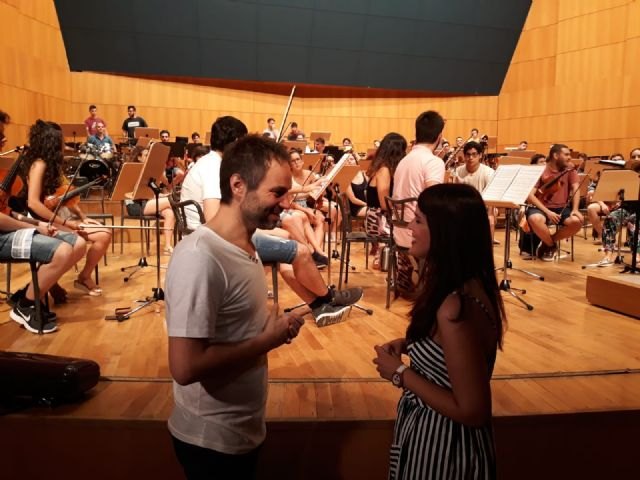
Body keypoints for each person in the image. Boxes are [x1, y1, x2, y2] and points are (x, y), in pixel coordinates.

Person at [165, 135, 306, 480]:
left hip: (239, 432)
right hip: (211, 442)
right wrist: (267, 340)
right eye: (277, 192)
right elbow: (184, 367)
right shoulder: (200, 257)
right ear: (238, 185)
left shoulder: (247, 244)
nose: (285, 203)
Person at [373, 183, 505, 479]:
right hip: (439, 440)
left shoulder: (454, 305)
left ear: (446, 231)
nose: (410, 226)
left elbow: (472, 410)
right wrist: (409, 343)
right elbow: (455, 352)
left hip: (444, 449)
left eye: (419, 220)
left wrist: (400, 373)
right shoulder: (470, 286)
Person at [180, 116, 362, 325]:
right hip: (217, 241)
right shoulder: (214, 168)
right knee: (299, 250)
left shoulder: (209, 163)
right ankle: (328, 298)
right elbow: (214, 221)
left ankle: (319, 307)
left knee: (285, 241)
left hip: (214, 235)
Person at [21, 120, 112, 296]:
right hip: (42, 222)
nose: (64, 144)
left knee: (104, 234)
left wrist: (83, 218)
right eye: (61, 140)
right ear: (52, 142)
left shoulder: (52, 166)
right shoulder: (38, 165)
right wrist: (67, 224)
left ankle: (83, 277)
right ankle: (50, 281)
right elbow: (33, 203)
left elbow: (68, 196)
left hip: (60, 218)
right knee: (77, 243)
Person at [393, 111, 445, 295]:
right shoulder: (433, 162)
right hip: (418, 234)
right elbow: (433, 201)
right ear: (439, 136)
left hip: (399, 231)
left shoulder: (403, 161)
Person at [525, 144, 583, 261]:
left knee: (577, 222)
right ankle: (552, 245)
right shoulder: (540, 170)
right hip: (541, 207)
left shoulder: (570, 170)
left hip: (561, 207)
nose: (569, 158)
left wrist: (575, 209)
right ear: (555, 155)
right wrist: (547, 212)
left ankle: (547, 243)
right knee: (535, 219)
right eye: (566, 154)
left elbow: (576, 188)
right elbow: (530, 195)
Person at [366, 132, 407, 268]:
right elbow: (384, 204)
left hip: (378, 215)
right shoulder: (384, 170)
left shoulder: (382, 167)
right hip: (378, 219)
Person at [454, 141, 497, 243]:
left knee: (489, 218)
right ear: (464, 156)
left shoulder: (488, 172)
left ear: (480, 155)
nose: (471, 158)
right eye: (468, 155)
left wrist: (490, 215)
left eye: (474, 154)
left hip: (483, 207)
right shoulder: (458, 171)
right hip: (463, 207)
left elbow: (492, 195)